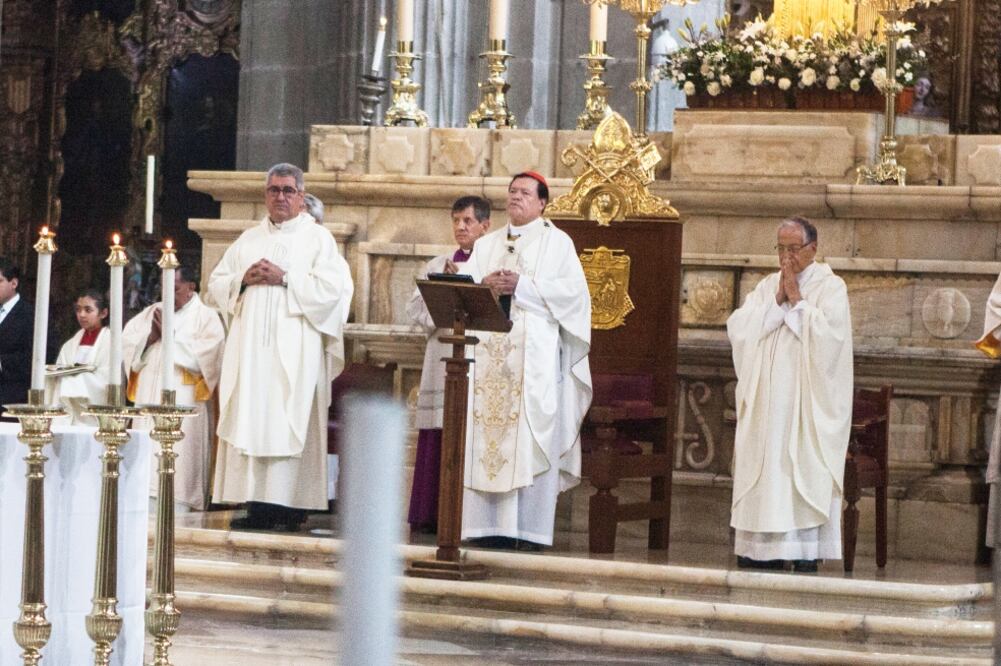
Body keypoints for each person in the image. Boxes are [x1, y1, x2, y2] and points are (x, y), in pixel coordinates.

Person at [208, 162, 353, 531]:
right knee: (253, 419)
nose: (281, 197)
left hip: (295, 353)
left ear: (302, 197)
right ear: (265, 195)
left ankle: (289, 506)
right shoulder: (249, 239)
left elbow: (336, 291)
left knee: (288, 419)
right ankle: (255, 503)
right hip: (252, 354)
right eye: (274, 190)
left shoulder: (317, 239)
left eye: (289, 190)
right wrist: (243, 278)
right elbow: (216, 283)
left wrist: (285, 278)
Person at [460, 172, 592, 551]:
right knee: (488, 438)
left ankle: (528, 531)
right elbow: (465, 292)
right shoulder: (486, 244)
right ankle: (486, 527)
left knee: (532, 437)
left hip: (533, 360)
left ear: (542, 202)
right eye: (512, 192)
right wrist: (484, 284)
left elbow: (575, 299)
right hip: (488, 357)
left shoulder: (558, 243)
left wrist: (524, 287)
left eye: (524, 193)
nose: (516, 197)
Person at [726, 216, 853, 573]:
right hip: (766, 404)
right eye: (780, 248)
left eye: (793, 249)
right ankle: (757, 550)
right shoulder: (767, 285)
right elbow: (739, 328)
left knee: (798, 468)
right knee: (764, 467)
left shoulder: (831, 288)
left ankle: (802, 549)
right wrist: (775, 304)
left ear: (813, 248)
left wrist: (798, 304)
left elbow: (833, 343)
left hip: (804, 405)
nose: (786, 257)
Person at [406, 195, 492, 534]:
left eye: (468, 221)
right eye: (456, 220)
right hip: (440, 358)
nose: (460, 227)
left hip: (478, 360)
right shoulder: (436, 265)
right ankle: (430, 514)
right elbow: (415, 313)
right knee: (437, 433)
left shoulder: (493, 266)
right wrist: (442, 288)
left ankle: (465, 517)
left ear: (486, 225)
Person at [123, 264, 225, 512]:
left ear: (191, 287)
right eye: (164, 288)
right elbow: (127, 348)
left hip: (185, 400)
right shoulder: (150, 313)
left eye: (175, 288)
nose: (168, 294)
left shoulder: (206, 317)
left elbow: (208, 360)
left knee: (181, 467)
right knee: (146, 469)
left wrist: (170, 337)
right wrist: (149, 339)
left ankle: (181, 504)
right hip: (149, 396)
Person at [47, 289, 112, 425]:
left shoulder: (111, 343)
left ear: (103, 313)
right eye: (78, 310)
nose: (82, 315)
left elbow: (106, 379)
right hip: (68, 413)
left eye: (88, 310)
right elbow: (58, 375)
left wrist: (69, 380)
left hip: (94, 417)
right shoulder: (69, 345)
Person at [0, 258, 33, 414]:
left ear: (13, 283)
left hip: (13, 397)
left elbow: (36, 356)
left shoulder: (30, 315)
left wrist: (2, 363)